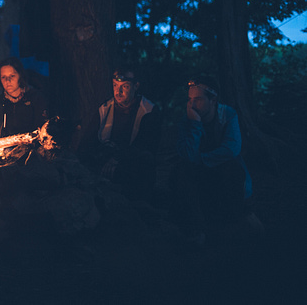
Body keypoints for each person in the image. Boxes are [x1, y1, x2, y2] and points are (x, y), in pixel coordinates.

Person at [172, 75, 252, 245]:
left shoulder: (227, 115)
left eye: (198, 99)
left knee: (234, 168)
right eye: (190, 100)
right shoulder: (187, 120)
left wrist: (202, 159)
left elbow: (231, 148)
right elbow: (186, 155)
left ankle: (231, 222)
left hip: (221, 169)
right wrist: (194, 125)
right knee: (181, 171)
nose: (193, 105)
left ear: (213, 100)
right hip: (198, 173)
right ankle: (196, 229)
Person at [81, 67, 161, 201]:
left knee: (144, 161)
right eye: (115, 86)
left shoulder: (148, 111)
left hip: (131, 163)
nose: (118, 92)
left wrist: (118, 159)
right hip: (106, 162)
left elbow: (146, 145)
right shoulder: (105, 109)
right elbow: (86, 142)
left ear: (136, 86)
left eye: (124, 86)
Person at [0, 56, 49, 141]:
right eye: (3, 77)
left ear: (20, 76)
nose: (8, 81)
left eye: (12, 76)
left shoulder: (35, 98)